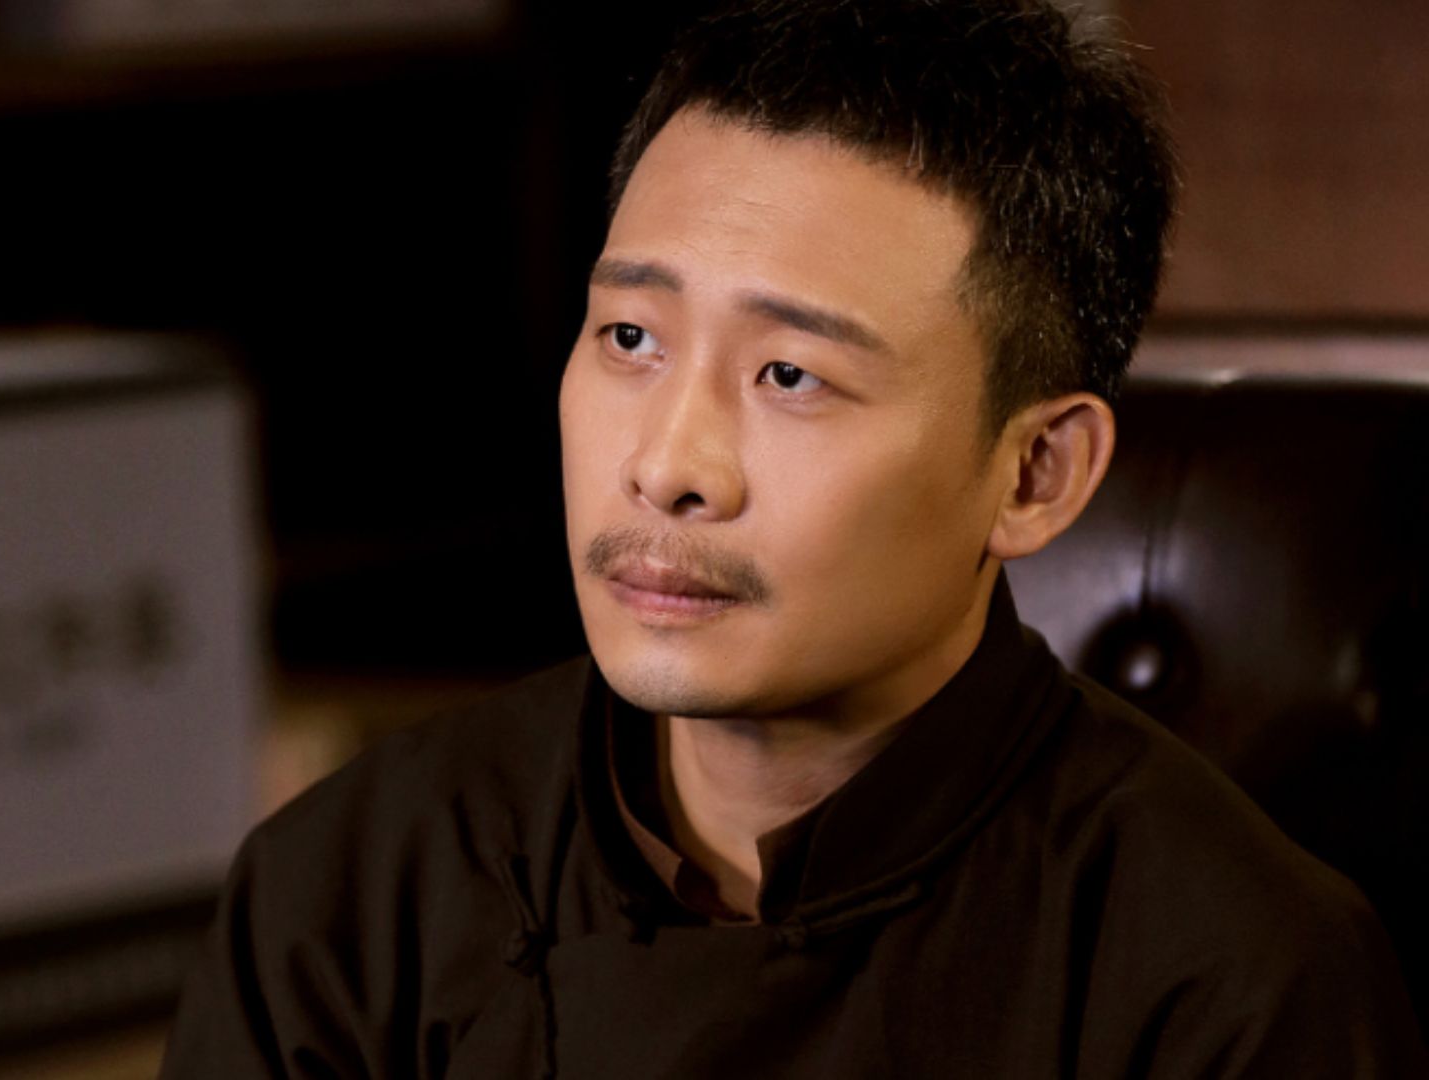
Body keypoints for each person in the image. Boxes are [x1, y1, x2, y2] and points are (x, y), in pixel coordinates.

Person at [162, 1, 1428, 1075]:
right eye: (630, 339)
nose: (667, 467)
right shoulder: (349, 891)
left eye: (789, 375)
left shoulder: (1232, 982)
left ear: (1036, 474)